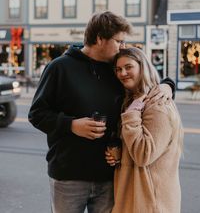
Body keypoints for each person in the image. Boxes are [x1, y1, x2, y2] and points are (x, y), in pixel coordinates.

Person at [28, 11, 175, 213]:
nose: (123, 47)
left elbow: (142, 80)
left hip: (109, 177)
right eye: (119, 41)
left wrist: (168, 85)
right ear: (99, 39)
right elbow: (36, 114)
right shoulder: (59, 68)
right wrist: (71, 125)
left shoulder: (116, 70)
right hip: (69, 176)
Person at [106, 47, 183, 213]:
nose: (122, 73)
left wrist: (132, 114)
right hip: (134, 197)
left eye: (128, 67)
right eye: (118, 69)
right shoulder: (135, 99)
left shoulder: (157, 104)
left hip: (151, 202)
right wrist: (119, 153)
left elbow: (143, 154)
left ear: (143, 67)